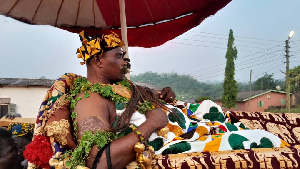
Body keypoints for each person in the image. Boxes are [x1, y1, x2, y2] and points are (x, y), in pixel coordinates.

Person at [24, 31, 289, 169]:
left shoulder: (120, 87)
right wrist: (151, 124)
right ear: (98, 61)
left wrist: (161, 96)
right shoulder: (90, 98)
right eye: (119, 55)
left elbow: (137, 99)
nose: (127, 60)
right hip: (169, 133)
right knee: (266, 139)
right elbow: (99, 161)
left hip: (185, 121)